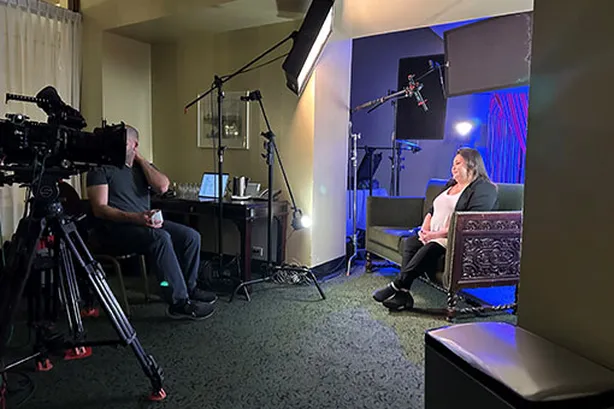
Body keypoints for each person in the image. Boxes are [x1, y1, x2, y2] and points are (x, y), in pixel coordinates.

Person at [86, 125, 216, 320]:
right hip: (115, 230)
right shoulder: (100, 170)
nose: (118, 146)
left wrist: (140, 160)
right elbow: (100, 209)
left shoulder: (142, 168)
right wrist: (136, 218)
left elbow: (163, 186)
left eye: (123, 142)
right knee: (160, 238)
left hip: (144, 224)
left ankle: (190, 288)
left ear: (135, 145)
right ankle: (179, 303)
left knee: (191, 236)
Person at [372, 148, 498, 311]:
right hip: (433, 234)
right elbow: (432, 210)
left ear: (472, 164)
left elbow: (469, 221)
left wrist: (435, 235)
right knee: (411, 243)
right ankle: (403, 294)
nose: (453, 167)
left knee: (432, 247)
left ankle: (396, 285)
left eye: (458, 163)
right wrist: (425, 230)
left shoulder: (484, 188)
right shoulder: (451, 184)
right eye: (452, 164)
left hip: (454, 239)